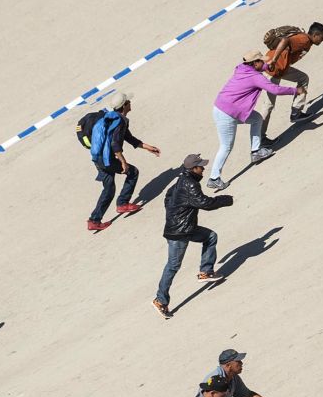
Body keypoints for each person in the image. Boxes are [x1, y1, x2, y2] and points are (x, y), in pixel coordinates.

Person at [154, 154, 233, 319]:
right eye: (201, 166)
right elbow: (204, 203)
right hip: (179, 233)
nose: (203, 168)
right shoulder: (190, 184)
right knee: (173, 265)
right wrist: (224, 200)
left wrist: (174, 212)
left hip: (185, 227)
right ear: (193, 168)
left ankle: (206, 272)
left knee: (210, 237)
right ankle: (160, 300)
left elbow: (168, 196)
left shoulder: (182, 179)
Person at [208, 53, 296, 188]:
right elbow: (275, 89)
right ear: (255, 63)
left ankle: (256, 152)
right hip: (226, 113)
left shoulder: (242, 68)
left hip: (223, 108)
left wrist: (267, 66)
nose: (263, 63)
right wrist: (295, 90)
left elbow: (259, 68)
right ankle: (214, 178)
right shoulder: (255, 77)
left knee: (256, 119)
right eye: (261, 61)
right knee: (226, 146)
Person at [85, 93, 160, 232]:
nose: (130, 103)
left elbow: (130, 139)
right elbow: (115, 144)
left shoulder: (112, 119)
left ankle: (94, 220)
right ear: (124, 105)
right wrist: (123, 162)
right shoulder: (120, 121)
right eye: (128, 101)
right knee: (132, 172)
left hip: (98, 159)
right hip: (107, 159)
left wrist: (148, 147)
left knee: (108, 188)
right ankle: (123, 203)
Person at [260, 22, 323, 140]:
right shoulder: (304, 40)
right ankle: (259, 138)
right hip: (272, 70)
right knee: (268, 105)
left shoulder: (306, 40)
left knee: (303, 78)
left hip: (281, 69)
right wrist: (274, 60)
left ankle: (296, 112)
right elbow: (285, 40)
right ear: (316, 34)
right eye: (322, 36)